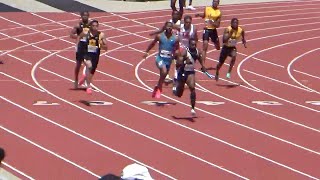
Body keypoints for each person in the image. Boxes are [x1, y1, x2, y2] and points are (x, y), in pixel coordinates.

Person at [143, 21, 179, 98]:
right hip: (160, 58)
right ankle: (160, 87)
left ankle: (158, 86)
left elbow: (177, 48)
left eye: (170, 26)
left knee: (163, 76)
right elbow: (152, 44)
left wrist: (176, 54)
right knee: (164, 71)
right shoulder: (159, 36)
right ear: (165, 27)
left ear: (172, 28)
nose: (169, 28)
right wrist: (146, 51)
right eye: (167, 26)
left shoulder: (175, 38)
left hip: (168, 60)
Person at [175, 38, 206, 116]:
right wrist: (185, 61)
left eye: (195, 44)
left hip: (190, 72)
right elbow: (177, 64)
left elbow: (200, 58)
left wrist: (203, 66)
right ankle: (177, 89)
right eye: (192, 44)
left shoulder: (197, 51)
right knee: (179, 94)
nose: (194, 46)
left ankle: (192, 108)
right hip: (182, 72)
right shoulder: (185, 52)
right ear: (189, 44)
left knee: (192, 88)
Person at [78, 20, 108, 94]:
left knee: (91, 72)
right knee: (89, 65)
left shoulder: (101, 35)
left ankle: (85, 76)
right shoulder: (86, 33)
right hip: (86, 53)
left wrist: (100, 44)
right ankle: (88, 87)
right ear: (90, 26)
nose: (95, 27)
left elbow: (106, 47)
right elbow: (79, 38)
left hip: (95, 54)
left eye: (96, 26)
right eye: (93, 25)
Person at [195, 0, 222, 67]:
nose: (215, 3)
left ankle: (215, 43)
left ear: (218, 3)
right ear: (212, 2)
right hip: (206, 30)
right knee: (205, 47)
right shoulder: (207, 8)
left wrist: (212, 23)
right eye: (214, 1)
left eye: (216, 2)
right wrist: (199, 15)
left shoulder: (218, 12)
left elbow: (218, 25)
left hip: (213, 30)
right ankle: (203, 65)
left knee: (218, 47)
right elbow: (204, 15)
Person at [70, 11, 91, 89]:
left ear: (88, 16)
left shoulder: (91, 25)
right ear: (81, 16)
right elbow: (71, 34)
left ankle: (85, 80)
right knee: (78, 64)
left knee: (89, 65)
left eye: (86, 15)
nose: (85, 17)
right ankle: (76, 79)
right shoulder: (78, 25)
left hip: (88, 46)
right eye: (83, 15)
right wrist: (79, 37)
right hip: (80, 46)